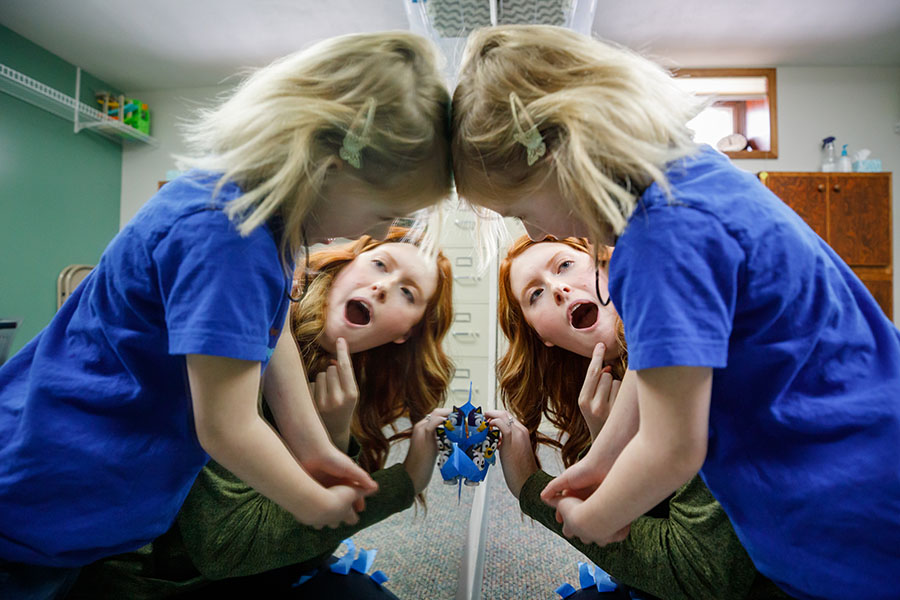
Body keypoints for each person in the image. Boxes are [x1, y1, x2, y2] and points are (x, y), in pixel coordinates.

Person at [451, 24, 900, 600]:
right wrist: (599, 463)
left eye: (521, 209)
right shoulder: (694, 177)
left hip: (845, 520)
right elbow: (649, 367)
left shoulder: (656, 240)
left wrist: (599, 516)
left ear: (560, 159)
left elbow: (673, 448)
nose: (535, 232)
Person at [0, 31, 451, 599]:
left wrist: (313, 448)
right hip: (46, 497)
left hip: (80, 498)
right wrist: (311, 501)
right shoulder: (228, 234)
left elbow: (271, 334)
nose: (381, 231)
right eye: (386, 212)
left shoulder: (262, 224)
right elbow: (226, 426)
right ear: (329, 165)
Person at [67, 227, 456, 599]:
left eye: (408, 292)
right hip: (152, 581)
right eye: (380, 265)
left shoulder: (348, 383)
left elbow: (302, 555)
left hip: (242, 574)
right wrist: (405, 481)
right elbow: (227, 544)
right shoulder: (249, 332)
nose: (382, 287)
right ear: (345, 266)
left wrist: (335, 437)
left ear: (407, 332)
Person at [488, 235, 790, 600]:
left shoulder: (693, 356)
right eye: (535, 294)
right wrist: (610, 446)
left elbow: (700, 574)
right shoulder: (603, 393)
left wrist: (530, 486)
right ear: (541, 336)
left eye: (564, 265)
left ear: (606, 264)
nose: (557, 289)